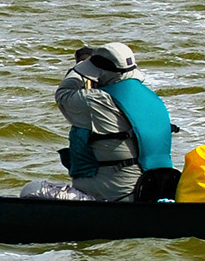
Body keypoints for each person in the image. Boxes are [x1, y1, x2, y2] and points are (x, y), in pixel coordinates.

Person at [20, 42, 178, 202]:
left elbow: (63, 94)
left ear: (99, 72)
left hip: (112, 199)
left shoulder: (97, 101)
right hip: (154, 191)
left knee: (31, 190)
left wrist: (80, 70)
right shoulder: (152, 98)